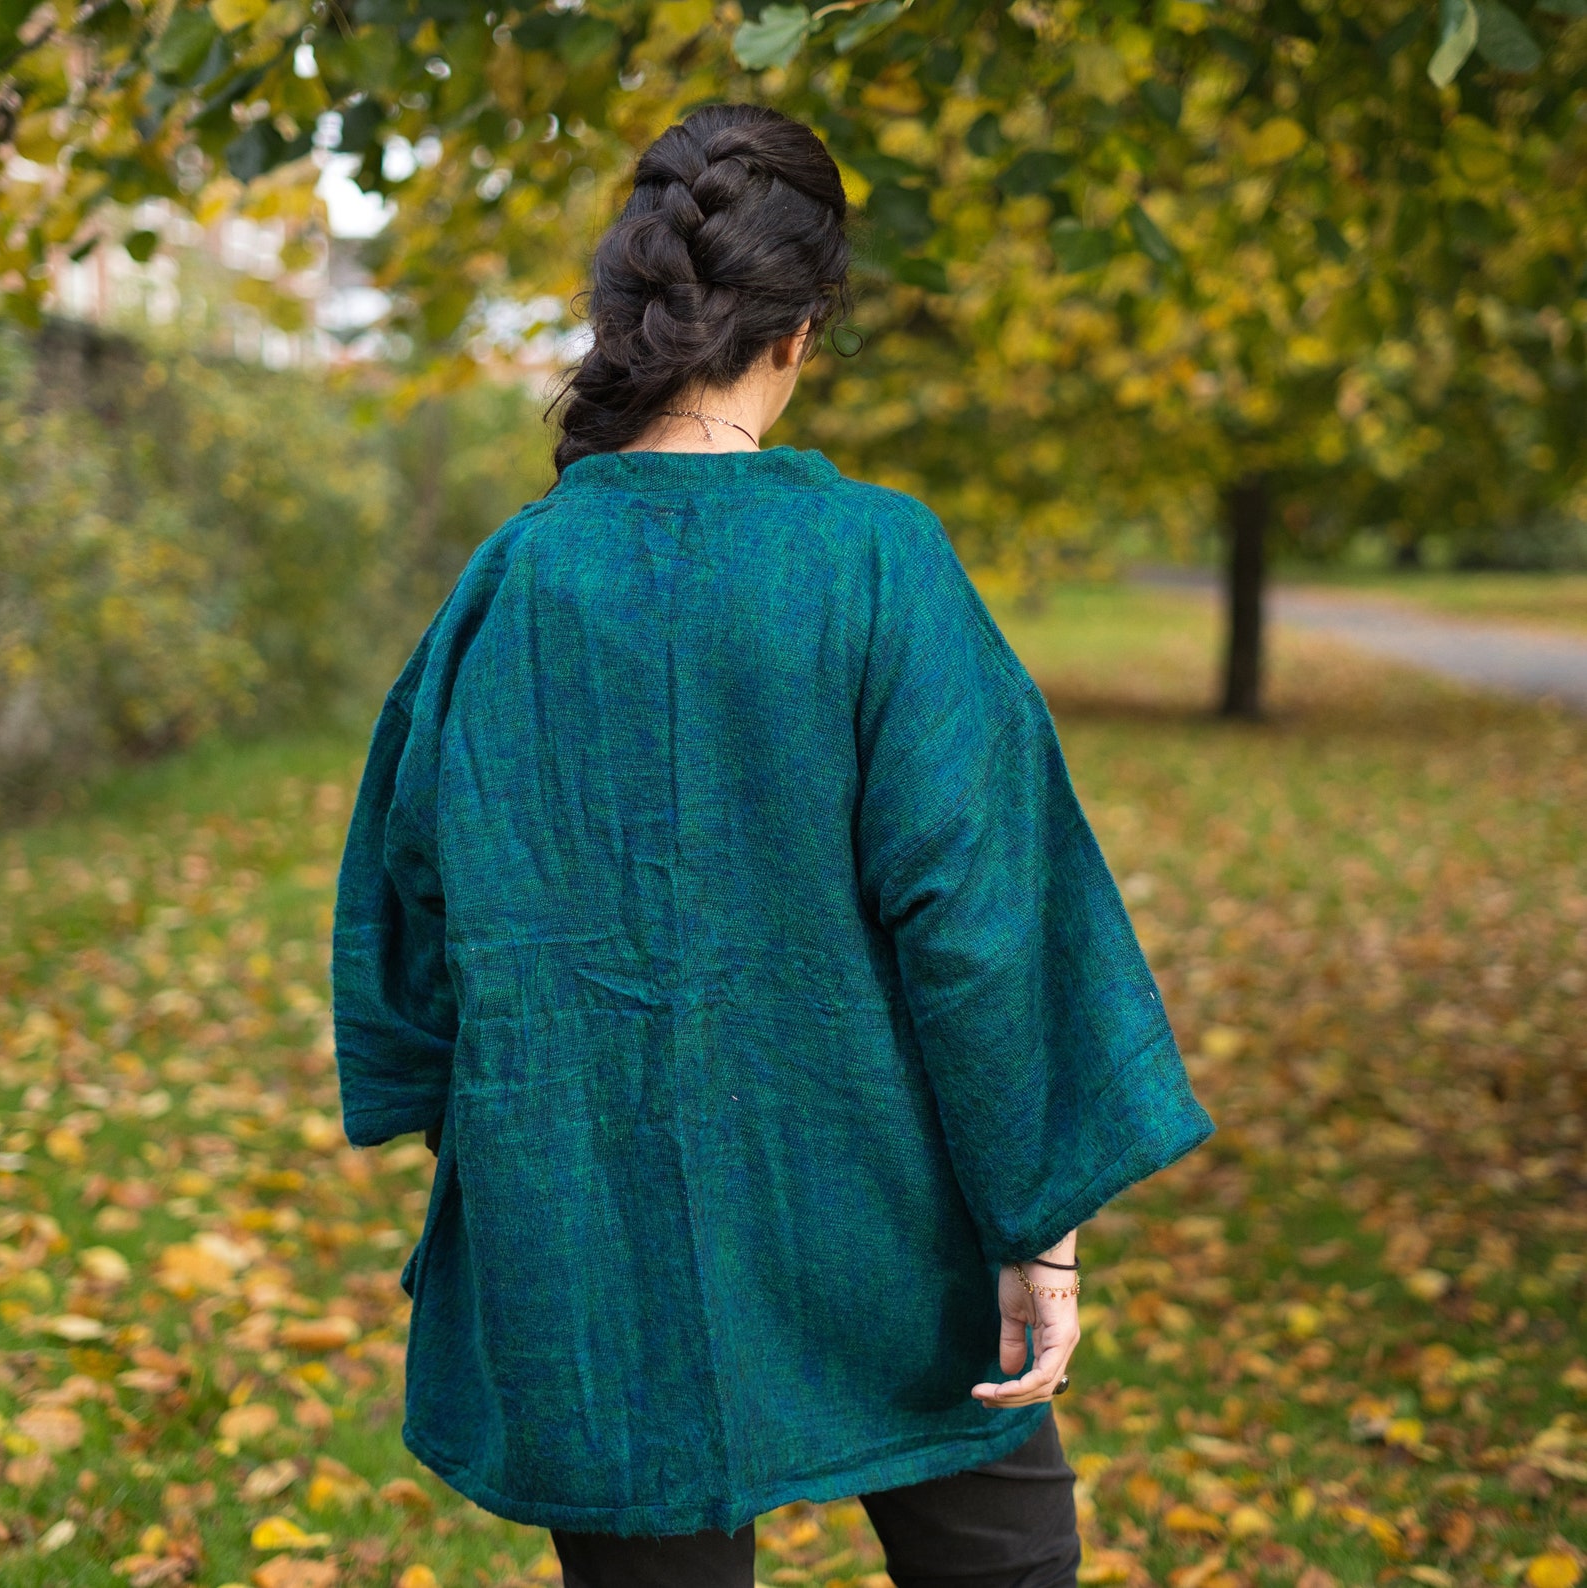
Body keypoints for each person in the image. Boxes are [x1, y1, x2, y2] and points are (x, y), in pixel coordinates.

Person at [332, 103, 1214, 1588]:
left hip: (590, 1213)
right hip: (881, 1205)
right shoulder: (876, 560)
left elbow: (405, 899)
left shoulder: (513, 577)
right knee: (1008, 1561)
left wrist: (484, 1131)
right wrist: (1039, 1227)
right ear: (805, 327)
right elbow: (981, 916)